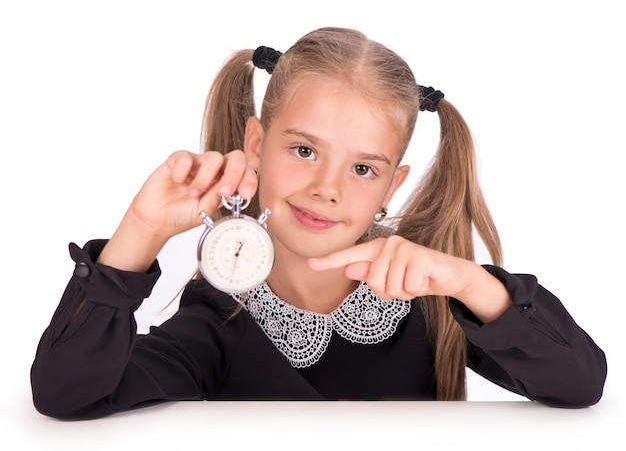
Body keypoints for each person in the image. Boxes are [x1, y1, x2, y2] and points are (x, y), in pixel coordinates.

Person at [31, 27, 607, 420]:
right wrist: (139, 230)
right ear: (255, 144)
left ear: (391, 185)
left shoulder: (431, 302)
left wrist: (470, 283)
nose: (327, 189)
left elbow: (580, 384)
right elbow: (66, 394)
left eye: (362, 167)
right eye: (304, 151)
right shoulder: (216, 321)